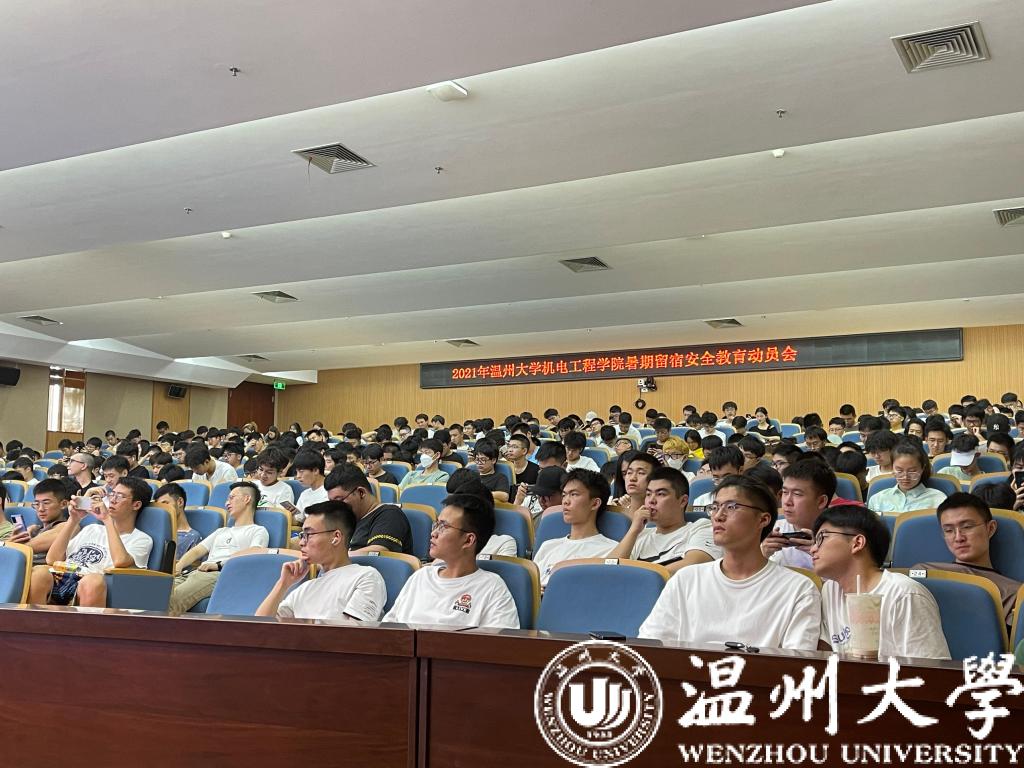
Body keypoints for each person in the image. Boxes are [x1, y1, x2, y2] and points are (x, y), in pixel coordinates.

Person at [639, 474, 821, 650]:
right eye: (715, 507)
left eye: (732, 507)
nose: (718, 516)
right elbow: (651, 645)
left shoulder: (798, 589)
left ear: (763, 519)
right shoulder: (686, 580)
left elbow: (797, 663)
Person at [812, 504, 950, 660]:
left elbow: (929, 670)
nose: (813, 549)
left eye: (822, 538)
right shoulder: (830, 590)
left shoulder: (905, 595)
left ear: (857, 543)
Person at [383, 493, 519, 628]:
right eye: (436, 524)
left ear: (468, 540)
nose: (433, 533)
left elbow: (502, 640)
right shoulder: (420, 577)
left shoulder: (492, 588)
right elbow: (388, 628)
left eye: (443, 526)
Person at [28, 477, 154, 607]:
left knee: (92, 581)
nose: (113, 500)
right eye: (112, 494)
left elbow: (120, 562)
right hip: (64, 576)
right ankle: (33, 619)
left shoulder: (141, 539)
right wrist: (73, 519)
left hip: (92, 584)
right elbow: (52, 559)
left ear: (136, 505)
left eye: (120, 496)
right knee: (39, 572)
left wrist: (107, 519)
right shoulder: (92, 529)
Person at [256, 500, 387, 621]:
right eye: (302, 535)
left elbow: (355, 633)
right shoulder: (305, 588)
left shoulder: (366, 577)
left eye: (308, 535)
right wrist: (283, 584)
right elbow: (260, 626)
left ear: (336, 537)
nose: (301, 542)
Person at [913, 493, 1021, 627]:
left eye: (967, 527)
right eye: (949, 530)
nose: (958, 538)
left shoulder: (1014, 593)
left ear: (990, 528)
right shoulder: (924, 573)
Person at [169, 481, 270, 615]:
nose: (227, 503)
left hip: (221, 574)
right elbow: (197, 550)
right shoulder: (221, 531)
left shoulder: (258, 530)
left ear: (247, 499)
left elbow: (253, 555)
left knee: (173, 599)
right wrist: (179, 566)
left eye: (231, 498)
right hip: (197, 572)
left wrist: (218, 565)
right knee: (158, 593)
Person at [607, 467, 720, 573]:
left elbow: (692, 564)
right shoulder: (640, 535)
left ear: (683, 501)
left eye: (660, 494)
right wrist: (633, 530)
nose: (651, 500)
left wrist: (638, 580)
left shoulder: (702, 527)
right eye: (648, 494)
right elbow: (608, 571)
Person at [532, 469, 617, 587]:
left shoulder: (611, 550)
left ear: (595, 503)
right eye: (564, 495)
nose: (565, 501)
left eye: (574, 494)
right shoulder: (548, 546)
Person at [761, 459, 836, 569]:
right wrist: (762, 555)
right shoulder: (770, 529)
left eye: (797, 494)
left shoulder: (840, 537)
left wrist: (825, 558)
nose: (787, 501)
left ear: (821, 501)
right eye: (785, 492)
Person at [325, 464, 413, 555]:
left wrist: (336, 558)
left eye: (339, 501)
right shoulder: (346, 520)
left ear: (361, 492)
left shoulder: (390, 514)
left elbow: (380, 552)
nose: (335, 507)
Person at [867, 440, 947, 513]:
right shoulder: (877, 499)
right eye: (899, 470)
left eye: (912, 471)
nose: (905, 477)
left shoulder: (938, 499)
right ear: (892, 468)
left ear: (922, 468)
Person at [22, 478, 70, 563]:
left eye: (46, 503)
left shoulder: (67, 527)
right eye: (37, 504)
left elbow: (27, 547)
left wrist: (11, 544)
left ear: (63, 504)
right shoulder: (34, 530)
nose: (41, 509)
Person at [150, 482, 202, 562]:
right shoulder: (155, 532)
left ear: (180, 502)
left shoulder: (193, 537)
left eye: (165, 504)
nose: (162, 510)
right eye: (159, 506)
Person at [612, 452, 658, 518]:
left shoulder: (660, 517)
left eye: (640, 473)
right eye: (629, 473)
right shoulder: (614, 511)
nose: (632, 478)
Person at [291, 450, 329, 521]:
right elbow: (298, 520)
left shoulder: (330, 493)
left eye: (301, 471)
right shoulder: (304, 494)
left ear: (315, 470)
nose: (298, 476)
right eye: (297, 472)